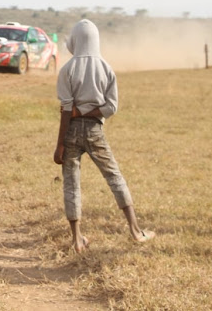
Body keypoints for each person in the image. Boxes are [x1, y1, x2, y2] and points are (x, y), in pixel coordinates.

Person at [54, 19, 154, 253]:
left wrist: (60, 144)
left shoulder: (67, 69)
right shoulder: (106, 68)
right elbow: (111, 107)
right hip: (95, 130)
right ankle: (135, 230)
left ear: (76, 41)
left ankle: (77, 239)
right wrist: (88, 111)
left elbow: (66, 110)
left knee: (71, 183)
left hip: (71, 131)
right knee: (114, 177)